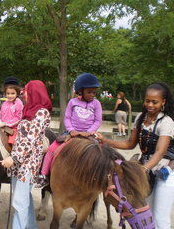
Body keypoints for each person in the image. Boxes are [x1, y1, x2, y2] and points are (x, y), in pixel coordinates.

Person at [96, 82, 174, 229]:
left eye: (154, 102)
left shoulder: (166, 122)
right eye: (147, 101)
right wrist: (105, 141)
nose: (150, 104)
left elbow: (160, 152)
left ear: (163, 102)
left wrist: (143, 169)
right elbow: (130, 144)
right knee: (145, 211)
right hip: (146, 169)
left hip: (165, 170)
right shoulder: (140, 118)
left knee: (160, 217)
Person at [1, 80, 52, 229]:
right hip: (19, 163)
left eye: (26, 91)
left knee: (19, 203)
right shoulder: (28, 111)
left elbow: (31, 139)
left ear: (35, 92)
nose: (24, 94)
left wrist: (13, 158)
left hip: (27, 164)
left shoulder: (42, 112)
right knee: (24, 199)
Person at [38, 73, 102, 187]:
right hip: (72, 133)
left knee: (102, 152)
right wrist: (71, 130)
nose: (92, 94)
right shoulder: (73, 102)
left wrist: (89, 132)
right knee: (51, 149)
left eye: (94, 92)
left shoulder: (96, 104)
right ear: (80, 91)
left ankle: (100, 179)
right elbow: (67, 118)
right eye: (89, 92)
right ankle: (43, 175)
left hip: (89, 134)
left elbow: (97, 120)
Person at [0, 77, 23, 144]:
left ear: (17, 93)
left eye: (12, 93)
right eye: (8, 93)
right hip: (2, 126)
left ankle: (13, 154)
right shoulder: (4, 103)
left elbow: (18, 118)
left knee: (12, 142)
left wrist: (6, 124)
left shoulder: (18, 103)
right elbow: (1, 115)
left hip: (14, 128)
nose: (10, 96)